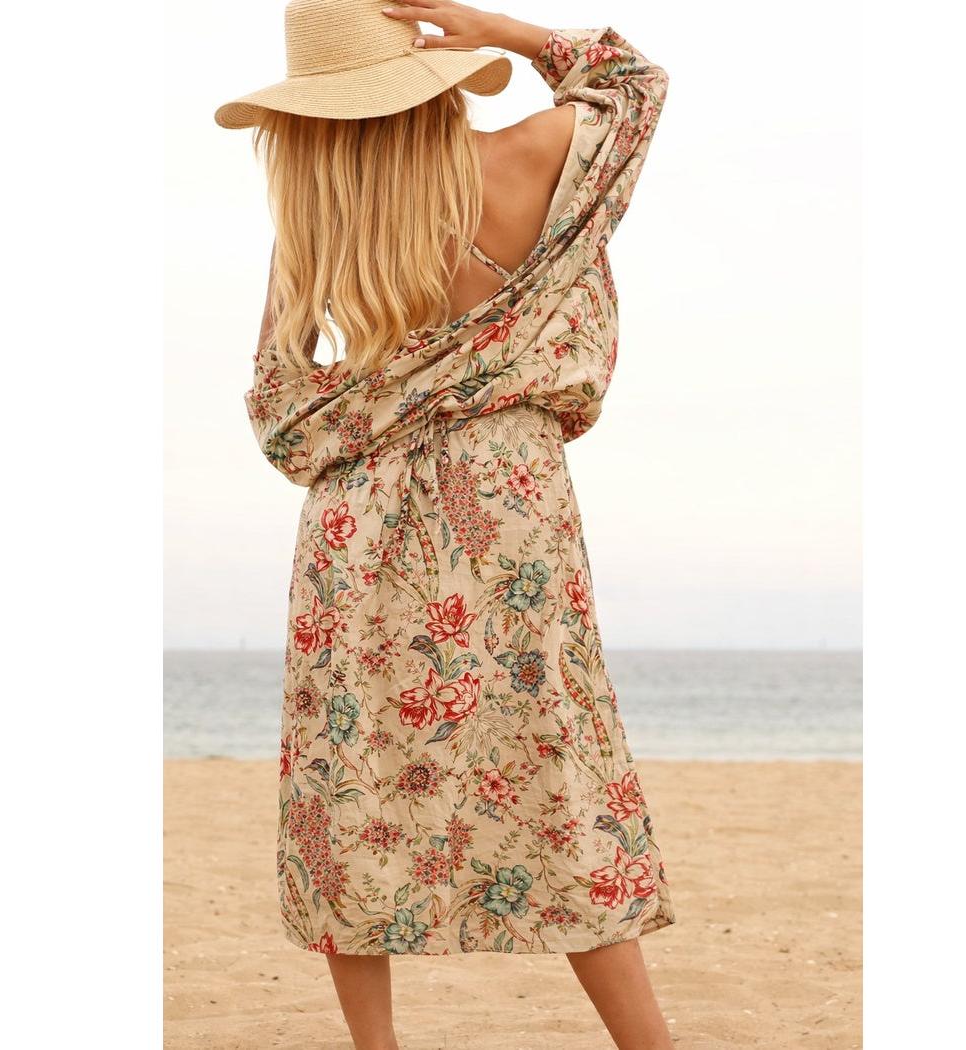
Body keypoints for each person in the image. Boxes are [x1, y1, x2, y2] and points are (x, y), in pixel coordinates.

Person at [215, 2, 674, 1047]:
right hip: (508, 498)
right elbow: (635, 84)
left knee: (349, 777)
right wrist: (502, 34)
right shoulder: (528, 156)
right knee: (557, 760)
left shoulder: (319, 223)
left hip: (358, 518)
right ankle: (650, 1042)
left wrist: (383, 398)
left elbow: (280, 414)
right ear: (422, 74)